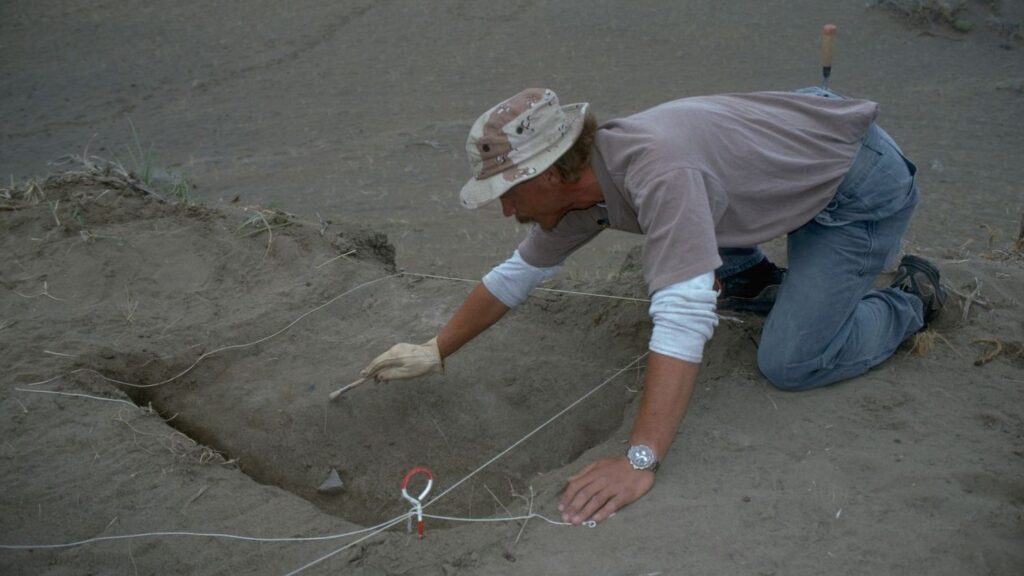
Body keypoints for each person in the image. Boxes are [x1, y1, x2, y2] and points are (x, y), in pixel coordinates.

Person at [359, 87, 946, 526]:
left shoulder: (656, 171)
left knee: (791, 361)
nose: (506, 210)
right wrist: (436, 349)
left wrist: (640, 460)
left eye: (509, 192)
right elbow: (519, 273)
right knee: (693, 250)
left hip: (850, 183)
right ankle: (760, 280)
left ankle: (907, 301)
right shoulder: (583, 192)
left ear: (552, 171)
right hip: (771, 159)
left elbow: (686, 315)